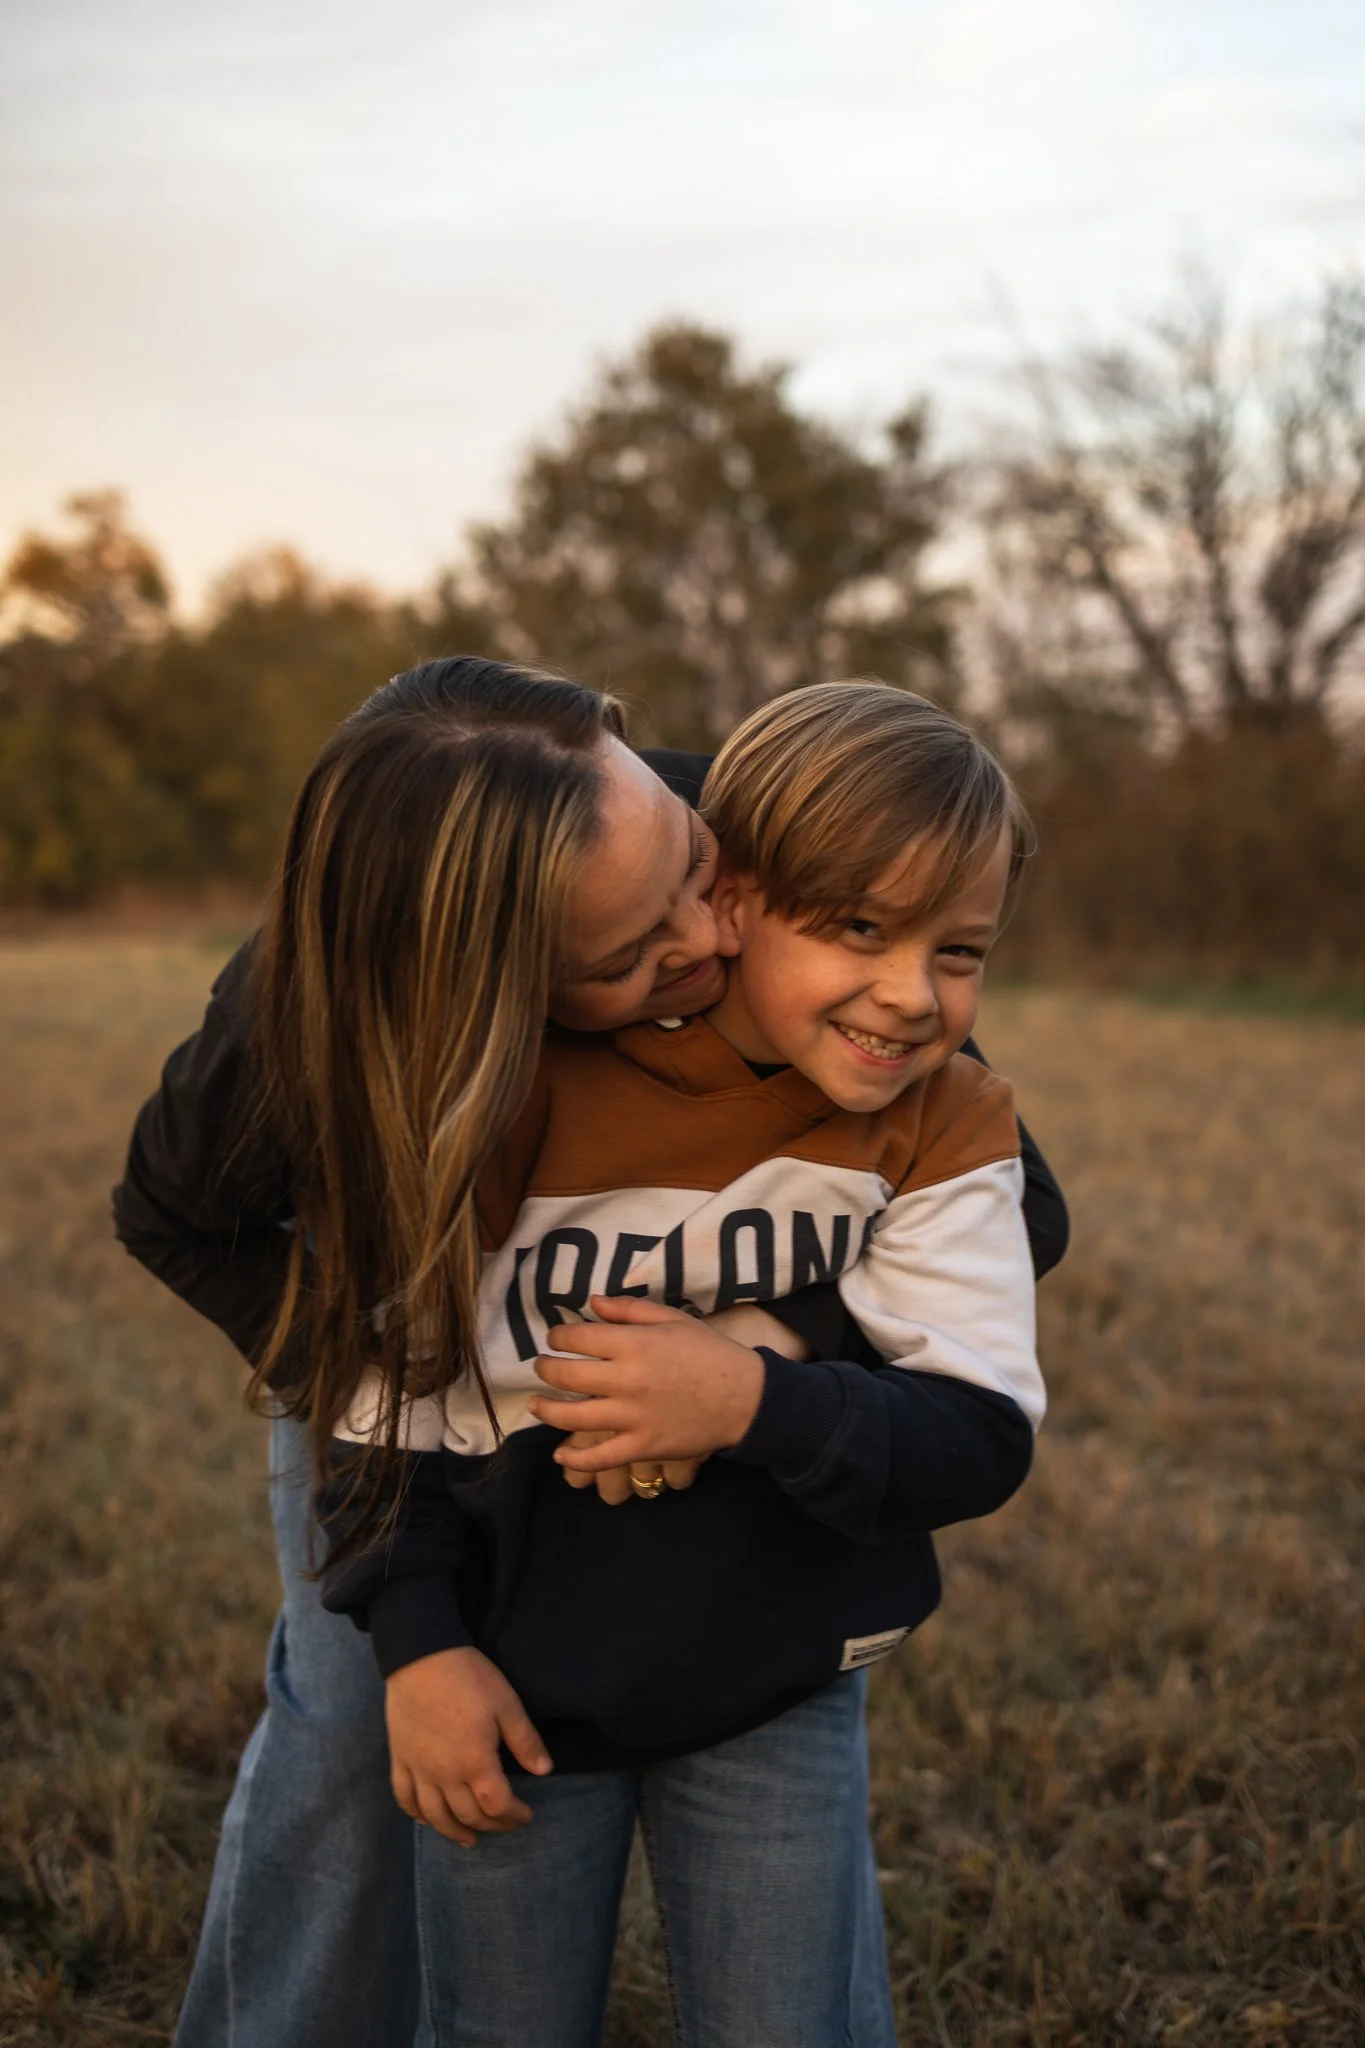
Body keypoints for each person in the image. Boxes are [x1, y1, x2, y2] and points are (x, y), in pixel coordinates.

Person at [112, 659, 1068, 2047]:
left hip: (727, 1412)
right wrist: (496, 1390)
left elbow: (1003, 1203)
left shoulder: (742, 830)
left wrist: (753, 1348)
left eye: (696, 870)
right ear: (504, 1002)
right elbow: (177, 1220)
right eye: (630, 957)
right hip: (407, 1330)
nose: (711, 934)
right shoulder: (333, 1018)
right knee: (355, 1726)